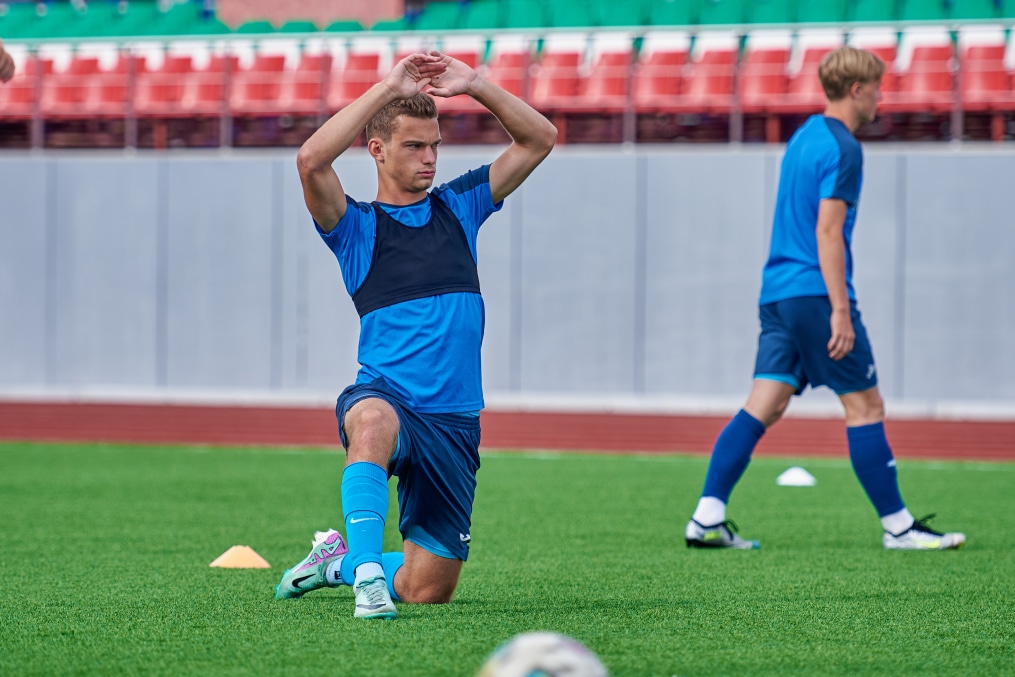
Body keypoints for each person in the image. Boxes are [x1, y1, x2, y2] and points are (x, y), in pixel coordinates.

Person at [274, 51, 557, 619]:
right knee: (372, 421)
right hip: (388, 398)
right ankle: (368, 584)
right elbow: (310, 161)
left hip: (454, 422)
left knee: (429, 589)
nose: (429, 159)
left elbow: (539, 139)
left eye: (434, 146)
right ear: (376, 150)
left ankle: (339, 563)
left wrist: (475, 84)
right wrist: (385, 89)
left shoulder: (461, 207)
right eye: (413, 146)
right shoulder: (355, 228)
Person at [685, 46, 966, 552]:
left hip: (777, 295)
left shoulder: (803, 137)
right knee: (865, 405)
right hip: (815, 293)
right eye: (878, 87)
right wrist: (840, 308)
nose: (882, 96)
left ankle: (706, 517)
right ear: (857, 90)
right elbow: (828, 230)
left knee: (764, 405)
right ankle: (898, 527)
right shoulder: (845, 147)